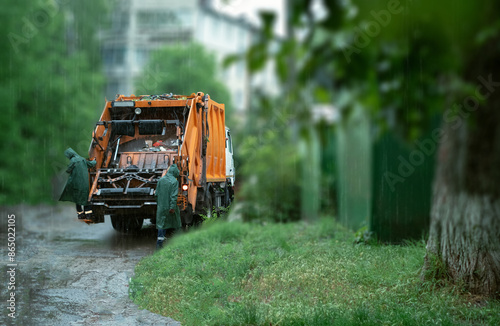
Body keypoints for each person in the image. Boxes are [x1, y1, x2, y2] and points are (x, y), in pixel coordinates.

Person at [59, 148, 96, 219]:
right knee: (86, 198)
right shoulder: (82, 159)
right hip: (85, 183)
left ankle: (80, 214)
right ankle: (88, 214)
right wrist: (95, 161)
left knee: (77, 199)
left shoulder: (73, 160)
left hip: (76, 184)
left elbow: (69, 170)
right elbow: (91, 164)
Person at [155, 163, 181, 249]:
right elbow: (173, 196)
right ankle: (178, 244)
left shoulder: (161, 180)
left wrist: (160, 204)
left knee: (161, 225)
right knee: (176, 224)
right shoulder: (174, 181)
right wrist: (172, 207)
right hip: (170, 207)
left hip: (161, 207)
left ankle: (159, 246)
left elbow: (156, 194)